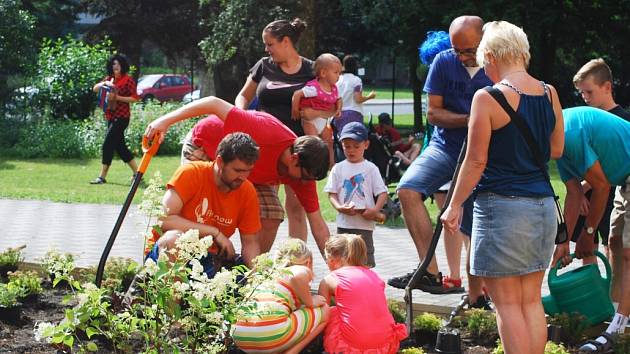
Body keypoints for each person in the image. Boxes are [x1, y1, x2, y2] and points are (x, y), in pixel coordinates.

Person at [441, 21, 564, 354]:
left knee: (507, 305)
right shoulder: (550, 92)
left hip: (503, 210)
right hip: (543, 209)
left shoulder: (488, 97)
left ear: (492, 56)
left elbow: (476, 161)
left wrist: (453, 205)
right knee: (529, 302)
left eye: (485, 64)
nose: (486, 72)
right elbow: (556, 149)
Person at [144, 96, 331, 256]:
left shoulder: (303, 172)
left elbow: (318, 225)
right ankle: (183, 259)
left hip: (246, 169)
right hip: (205, 144)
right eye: (305, 176)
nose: (305, 183)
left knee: (272, 214)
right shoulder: (265, 130)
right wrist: (166, 121)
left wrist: (337, 272)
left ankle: (249, 272)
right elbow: (212, 103)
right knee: (196, 208)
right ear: (294, 158)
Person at [388, 16, 492, 302]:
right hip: (445, 146)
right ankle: (431, 272)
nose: (462, 57)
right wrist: (470, 119)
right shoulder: (444, 62)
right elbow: (433, 114)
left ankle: (477, 295)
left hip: (484, 153)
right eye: (457, 50)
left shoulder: (497, 65)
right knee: (408, 190)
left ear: (485, 40)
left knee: (472, 223)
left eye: (469, 50)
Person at [235, 18, 334, 243]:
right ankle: (253, 258)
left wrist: (314, 117)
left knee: (297, 207)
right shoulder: (264, 65)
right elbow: (243, 96)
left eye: (270, 44)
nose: (266, 49)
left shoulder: (313, 70)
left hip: (299, 150)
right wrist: (242, 117)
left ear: (285, 42)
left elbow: (330, 104)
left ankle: (295, 262)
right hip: (264, 146)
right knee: (263, 208)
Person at [553, 106, 630, 353]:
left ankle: (616, 330)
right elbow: (574, 193)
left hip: (620, 179)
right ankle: (622, 314)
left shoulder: (569, 133)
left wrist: (587, 234)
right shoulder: (557, 144)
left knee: (629, 254)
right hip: (623, 179)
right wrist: (563, 241)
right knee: (615, 243)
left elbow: (601, 185)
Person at [145, 133, 262, 277]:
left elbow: (250, 243)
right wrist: (214, 232)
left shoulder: (247, 191)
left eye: (248, 171)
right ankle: (169, 299)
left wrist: (257, 279)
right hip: (166, 254)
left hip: (208, 261)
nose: (243, 177)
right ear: (220, 162)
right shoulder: (191, 173)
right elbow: (164, 219)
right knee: (174, 239)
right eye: (238, 170)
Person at [571, 58, 630, 277]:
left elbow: (610, 167)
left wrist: (583, 188)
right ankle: (593, 289)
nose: (585, 98)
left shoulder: (621, 121)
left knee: (613, 242)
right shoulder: (585, 120)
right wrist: (580, 193)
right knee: (587, 243)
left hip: (614, 191)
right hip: (588, 195)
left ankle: (614, 291)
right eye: (582, 94)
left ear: (607, 87)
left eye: (589, 92)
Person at [233, 239, 328, 354]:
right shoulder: (297, 269)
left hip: (241, 337)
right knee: (325, 310)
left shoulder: (267, 275)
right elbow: (297, 275)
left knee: (282, 319)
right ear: (308, 261)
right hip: (271, 335)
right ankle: (292, 352)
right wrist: (310, 302)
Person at [318, 234, 407, 353]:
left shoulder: (329, 279)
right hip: (385, 344)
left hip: (353, 346)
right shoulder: (374, 275)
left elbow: (321, 315)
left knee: (332, 312)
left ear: (331, 260)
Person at [324, 122, 388, 267]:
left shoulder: (371, 168)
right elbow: (332, 193)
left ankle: (364, 286)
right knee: (342, 258)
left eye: (356, 146)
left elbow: (382, 193)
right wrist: (340, 207)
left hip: (364, 225)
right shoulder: (338, 168)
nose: (351, 150)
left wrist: (375, 210)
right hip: (344, 224)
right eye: (347, 146)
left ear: (366, 145)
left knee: (364, 261)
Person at [90, 54, 140, 184]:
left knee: (108, 143)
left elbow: (134, 98)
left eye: (118, 64)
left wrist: (117, 98)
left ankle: (101, 177)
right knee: (120, 147)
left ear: (122, 66)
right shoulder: (109, 79)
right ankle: (138, 174)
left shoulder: (128, 80)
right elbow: (95, 89)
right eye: (113, 64)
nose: (115, 66)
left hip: (122, 118)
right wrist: (104, 83)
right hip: (111, 117)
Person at [291, 53, 342, 165]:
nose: (338, 76)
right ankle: (314, 163)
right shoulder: (314, 88)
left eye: (340, 73)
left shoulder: (334, 88)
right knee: (314, 143)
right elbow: (297, 94)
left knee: (329, 141)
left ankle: (331, 163)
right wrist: (295, 110)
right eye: (336, 72)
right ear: (323, 73)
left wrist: (339, 109)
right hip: (310, 121)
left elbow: (339, 99)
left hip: (323, 122)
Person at [335, 55, 376, 134]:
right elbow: (358, 99)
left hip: (338, 114)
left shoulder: (337, 80)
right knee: (354, 141)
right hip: (353, 114)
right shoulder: (356, 80)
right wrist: (369, 96)